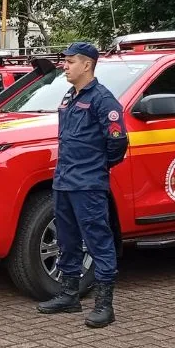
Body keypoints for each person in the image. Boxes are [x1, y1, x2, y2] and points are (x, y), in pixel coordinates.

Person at [37, 42, 128, 329]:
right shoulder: (70, 97)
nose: (65, 66)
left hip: (88, 184)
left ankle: (104, 304)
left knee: (99, 241)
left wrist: (95, 168)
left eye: (70, 61)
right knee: (67, 240)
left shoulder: (103, 99)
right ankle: (69, 294)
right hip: (64, 181)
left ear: (86, 64)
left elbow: (117, 142)